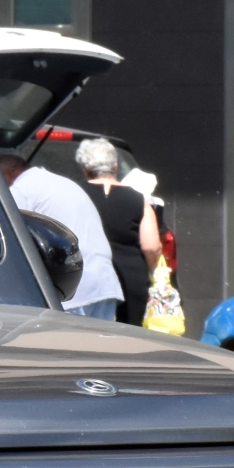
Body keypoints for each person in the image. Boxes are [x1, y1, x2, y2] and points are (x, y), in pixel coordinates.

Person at [0, 151, 119, 319]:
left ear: (11, 171)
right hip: (104, 283)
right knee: (102, 345)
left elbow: (4, 231)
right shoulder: (62, 182)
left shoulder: (22, 189)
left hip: (72, 289)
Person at [74, 136, 163, 327]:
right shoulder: (139, 200)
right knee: (130, 336)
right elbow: (151, 246)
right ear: (115, 166)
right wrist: (154, 271)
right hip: (130, 279)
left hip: (87, 278)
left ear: (85, 169)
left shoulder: (75, 195)